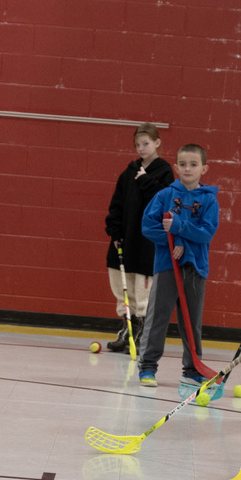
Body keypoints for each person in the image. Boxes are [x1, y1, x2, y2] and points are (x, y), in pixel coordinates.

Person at [137, 144, 219, 387]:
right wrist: (177, 240)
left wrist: (179, 230)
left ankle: (192, 369)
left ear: (204, 168)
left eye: (193, 164)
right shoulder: (164, 196)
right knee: (158, 316)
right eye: (182, 164)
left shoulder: (209, 201)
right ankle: (148, 367)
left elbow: (206, 234)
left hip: (196, 267)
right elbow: (148, 227)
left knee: (191, 320)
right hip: (166, 265)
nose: (187, 169)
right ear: (175, 167)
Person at [103, 123, 174, 353]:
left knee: (143, 292)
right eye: (138, 145)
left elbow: (164, 201)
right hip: (125, 240)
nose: (141, 149)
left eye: (146, 143)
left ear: (157, 143)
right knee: (123, 289)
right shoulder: (129, 172)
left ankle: (141, 333)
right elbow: (117, 204)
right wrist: (115, 232)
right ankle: (126, 330)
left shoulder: (164, 171)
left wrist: (145, 180)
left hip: (147, 244)